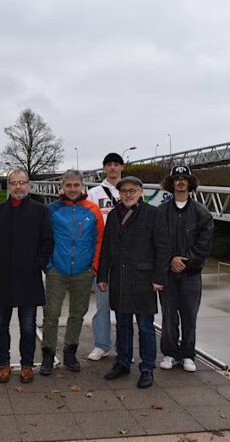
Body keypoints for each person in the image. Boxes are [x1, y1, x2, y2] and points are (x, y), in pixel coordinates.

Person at [98, 176, 169, 389]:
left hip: (144, 280)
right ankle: (123, 362)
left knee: (146, 327)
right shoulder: (113, 215)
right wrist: (102, 275)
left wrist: (159, 278)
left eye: (133, 190)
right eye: (124, 191)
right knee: (123, 324)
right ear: (119, 193)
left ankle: (147, 368)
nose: (128, 194)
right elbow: (107, 248)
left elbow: (162, 248)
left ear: (140, 192)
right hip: (120, 278)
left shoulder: (153, 214)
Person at [0, 169, 54, 383]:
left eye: (22, 182)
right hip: (3, 278)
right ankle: (3, 364)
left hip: (29, 277)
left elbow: (47, 242)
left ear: (29, 185)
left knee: (28, 326)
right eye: (13, 183)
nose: (18, 187)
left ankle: (26, 365)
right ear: (9, 186)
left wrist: (38, 264)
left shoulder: (40, 211)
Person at [40, 170, 104, 376]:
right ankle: (48, 354)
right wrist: (48, 265)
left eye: (76, 185)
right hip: (57, 270)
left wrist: (93, 267)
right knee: (51, 314)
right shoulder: (52, 209)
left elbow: (100, 240)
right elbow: (43, 238)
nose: (73, 189)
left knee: (77, 314)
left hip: (83, 272)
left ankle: (70, 352)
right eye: (69, 185)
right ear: (62, 186)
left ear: (82, 186)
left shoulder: (92, 210)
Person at [158, 165, 214, 373]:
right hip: (168, 274)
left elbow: (204, 244)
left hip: (191, 275)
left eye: (184, 178)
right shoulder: (161, 212)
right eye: (176, 178)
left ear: (190, 183)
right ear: (171, 183)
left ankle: (188, 355)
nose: (180, 182)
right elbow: (158, 241)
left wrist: (186, 262)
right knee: (169, 315)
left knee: (189, 316)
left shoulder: (202, 213)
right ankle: (170, 354)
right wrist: (170, 260)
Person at [86, 152, 124, 361]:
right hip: (102, 256)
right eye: (109, 165)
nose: (112, 168)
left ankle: (122, 346)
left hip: (125, 258)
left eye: (116, 164)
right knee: (102, 305)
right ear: (104, 168)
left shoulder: (129, 191)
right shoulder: (94, 193)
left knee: (124, 305)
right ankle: (102, 344)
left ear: (122, 167)